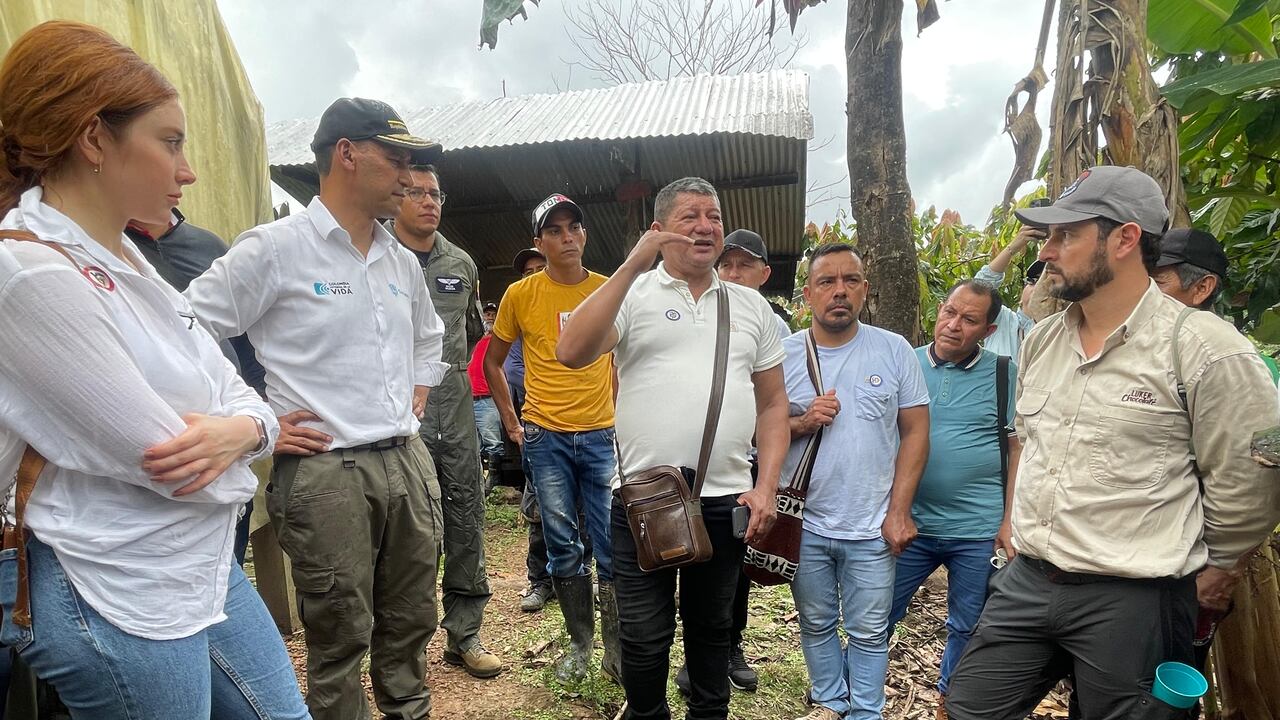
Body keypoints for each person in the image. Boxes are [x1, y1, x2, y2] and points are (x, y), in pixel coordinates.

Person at [0, 20, 307, 718]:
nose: (188, 169)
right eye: (169, 142)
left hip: (198, 568)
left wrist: (242, 431)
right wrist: (249, 434)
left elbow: (235, 387)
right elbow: (164, 460)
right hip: (115, 587)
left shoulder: (126, 256)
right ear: (94, 138)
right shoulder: (29, 273)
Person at [945, 166, 1280, 720]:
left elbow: (1253, 473)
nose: (1047, 251)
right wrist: (1013, 524)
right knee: (968, 708)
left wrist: (1218, 566)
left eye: (1065, 235)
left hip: (1136, 595)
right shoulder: (1044, 340)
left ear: (1125, 238)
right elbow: (1027, 443)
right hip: (1029, 579)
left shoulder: (1202, 348)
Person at [185, 97, 449, 720]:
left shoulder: (399, 261)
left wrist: (418, 391)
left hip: (405, 460)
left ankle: (408, 710)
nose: (410, 175)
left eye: (413, 161)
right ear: (347, 155)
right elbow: (186, 325)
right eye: (397, 157)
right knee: (339, 634)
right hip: (328, 472)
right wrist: (257, 421)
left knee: (413, 617)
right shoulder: (276, 249)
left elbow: (428, 335)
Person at [557, 177, 790, 720]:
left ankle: (708, 714)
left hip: (728, 499)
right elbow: (571, 351)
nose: (706, 226)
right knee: (643, 635)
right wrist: (633, 264)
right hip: (645, 497)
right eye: (690, 216)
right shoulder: (632, 292)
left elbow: (774, 404)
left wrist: (766, 487)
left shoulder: (751, 307)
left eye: (713, 215)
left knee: (713, 630)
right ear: (659, 230)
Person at [783, 243, 931, 720]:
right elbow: (755, 430)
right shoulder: (783, 356)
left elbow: (915, 431)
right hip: (804, 523)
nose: (839, 291)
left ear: (866, 289)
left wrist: (900, 510)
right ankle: (830, 701)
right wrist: (801, 422)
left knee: (869, 631)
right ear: (807, 294)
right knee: (817, 621)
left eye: (851, 280)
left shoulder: (893, 350)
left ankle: (866, 712)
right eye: (827, 281)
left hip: (872, 526)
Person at [483, 194, 619, 682]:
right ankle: (581, 646)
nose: (566, 237)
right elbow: (492, 362)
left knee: (610, 544)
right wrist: (511, 420)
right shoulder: (522, 295)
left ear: (584, 234)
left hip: (602, 434)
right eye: (555, 230)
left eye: (573, 227)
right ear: (539, 241)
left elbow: (620, 361)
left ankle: (615, 652)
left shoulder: (607, 290)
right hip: (546, 436)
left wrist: (619, 414)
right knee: (562, 542)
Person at [387, 164, 501, 678]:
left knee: (464, 506)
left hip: (452, 396)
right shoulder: (373, 252)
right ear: (396, 197)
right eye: (416, 193)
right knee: (406, 523)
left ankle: (465, 633)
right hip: (392, 398)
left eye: (435, 194)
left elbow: (472, 330)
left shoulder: (461, 262)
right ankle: (403, 643)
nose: (428, 202)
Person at [888, 280, 1019, 720]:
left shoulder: (1004, 372)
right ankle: (851, 691)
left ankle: (950, 699)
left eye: (969, 320)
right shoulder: (904, 362)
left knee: (968, 624)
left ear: (988, 329)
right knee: (880, 609)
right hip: (910, 522)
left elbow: (1018, 447)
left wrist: (1009, 519)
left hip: (978, 528)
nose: (953, 325)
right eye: (949, 312)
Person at [671, 227, 787, 696]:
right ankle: (692, 652)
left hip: (757, 462)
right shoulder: (697, 316)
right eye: (727, 265)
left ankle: (729, 646)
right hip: (705, 464)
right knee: (685, 551)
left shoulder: (775, 327)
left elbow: (780, 403)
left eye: (744, 265)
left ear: (765, 273)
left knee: (733, 564)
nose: (733, 273)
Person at [125, 210, 266, 566]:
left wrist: (264, 416)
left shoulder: (208, 246)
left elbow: (246, 347)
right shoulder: (101, 252)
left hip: (229, 452)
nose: (186, 173)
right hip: (153, 472)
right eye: (169, 149)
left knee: (226, 577)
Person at [972, 226, 1040, 358]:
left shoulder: (1060, 330)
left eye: (1046, 282)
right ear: (1021, 295)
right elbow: (979, 288)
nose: (1038, 287)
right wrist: (1014, 246)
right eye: (1033, 281)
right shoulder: (1002, 319)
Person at [470, 322, 505, 469]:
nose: (489, 318)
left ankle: (495, 485)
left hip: (487, 397)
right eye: (487, 314)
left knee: (493, 443)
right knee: (473, 446)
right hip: (467, 399)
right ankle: (481, 484)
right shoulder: (469, 342)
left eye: (493, 314)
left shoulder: (497, 342)